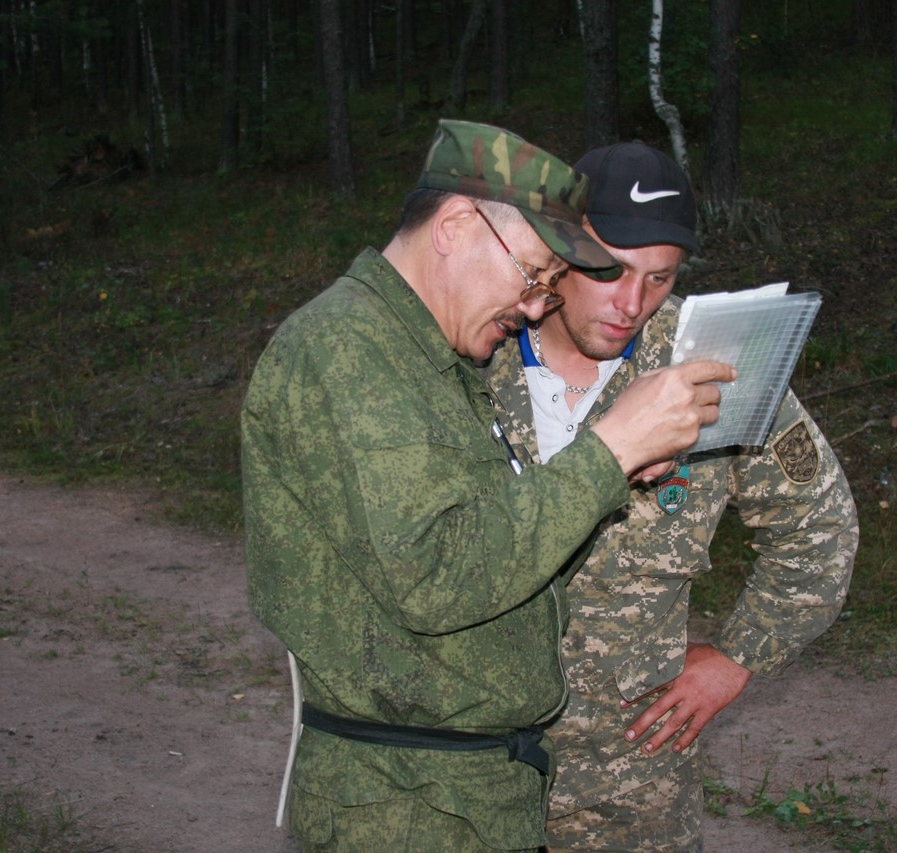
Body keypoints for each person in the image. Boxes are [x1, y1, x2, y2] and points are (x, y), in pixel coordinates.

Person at [241, 120, 736, 853]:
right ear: (456, 227)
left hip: (463, 797)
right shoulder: (345, 350)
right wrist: (609, 450)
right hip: (407, 806)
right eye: (534, 274)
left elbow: (510, 567)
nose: (537, 305)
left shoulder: (427, 358)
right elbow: (439, 576)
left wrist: (618, 469)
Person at [482, 141, 859, 851]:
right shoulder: (477, 347)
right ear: (559, 248)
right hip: (466, 773)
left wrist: (740, 656)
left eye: (659, 277)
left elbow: (820, 524)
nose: (632, 304)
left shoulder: (711, 364)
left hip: (629, 787)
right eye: (610, 270)